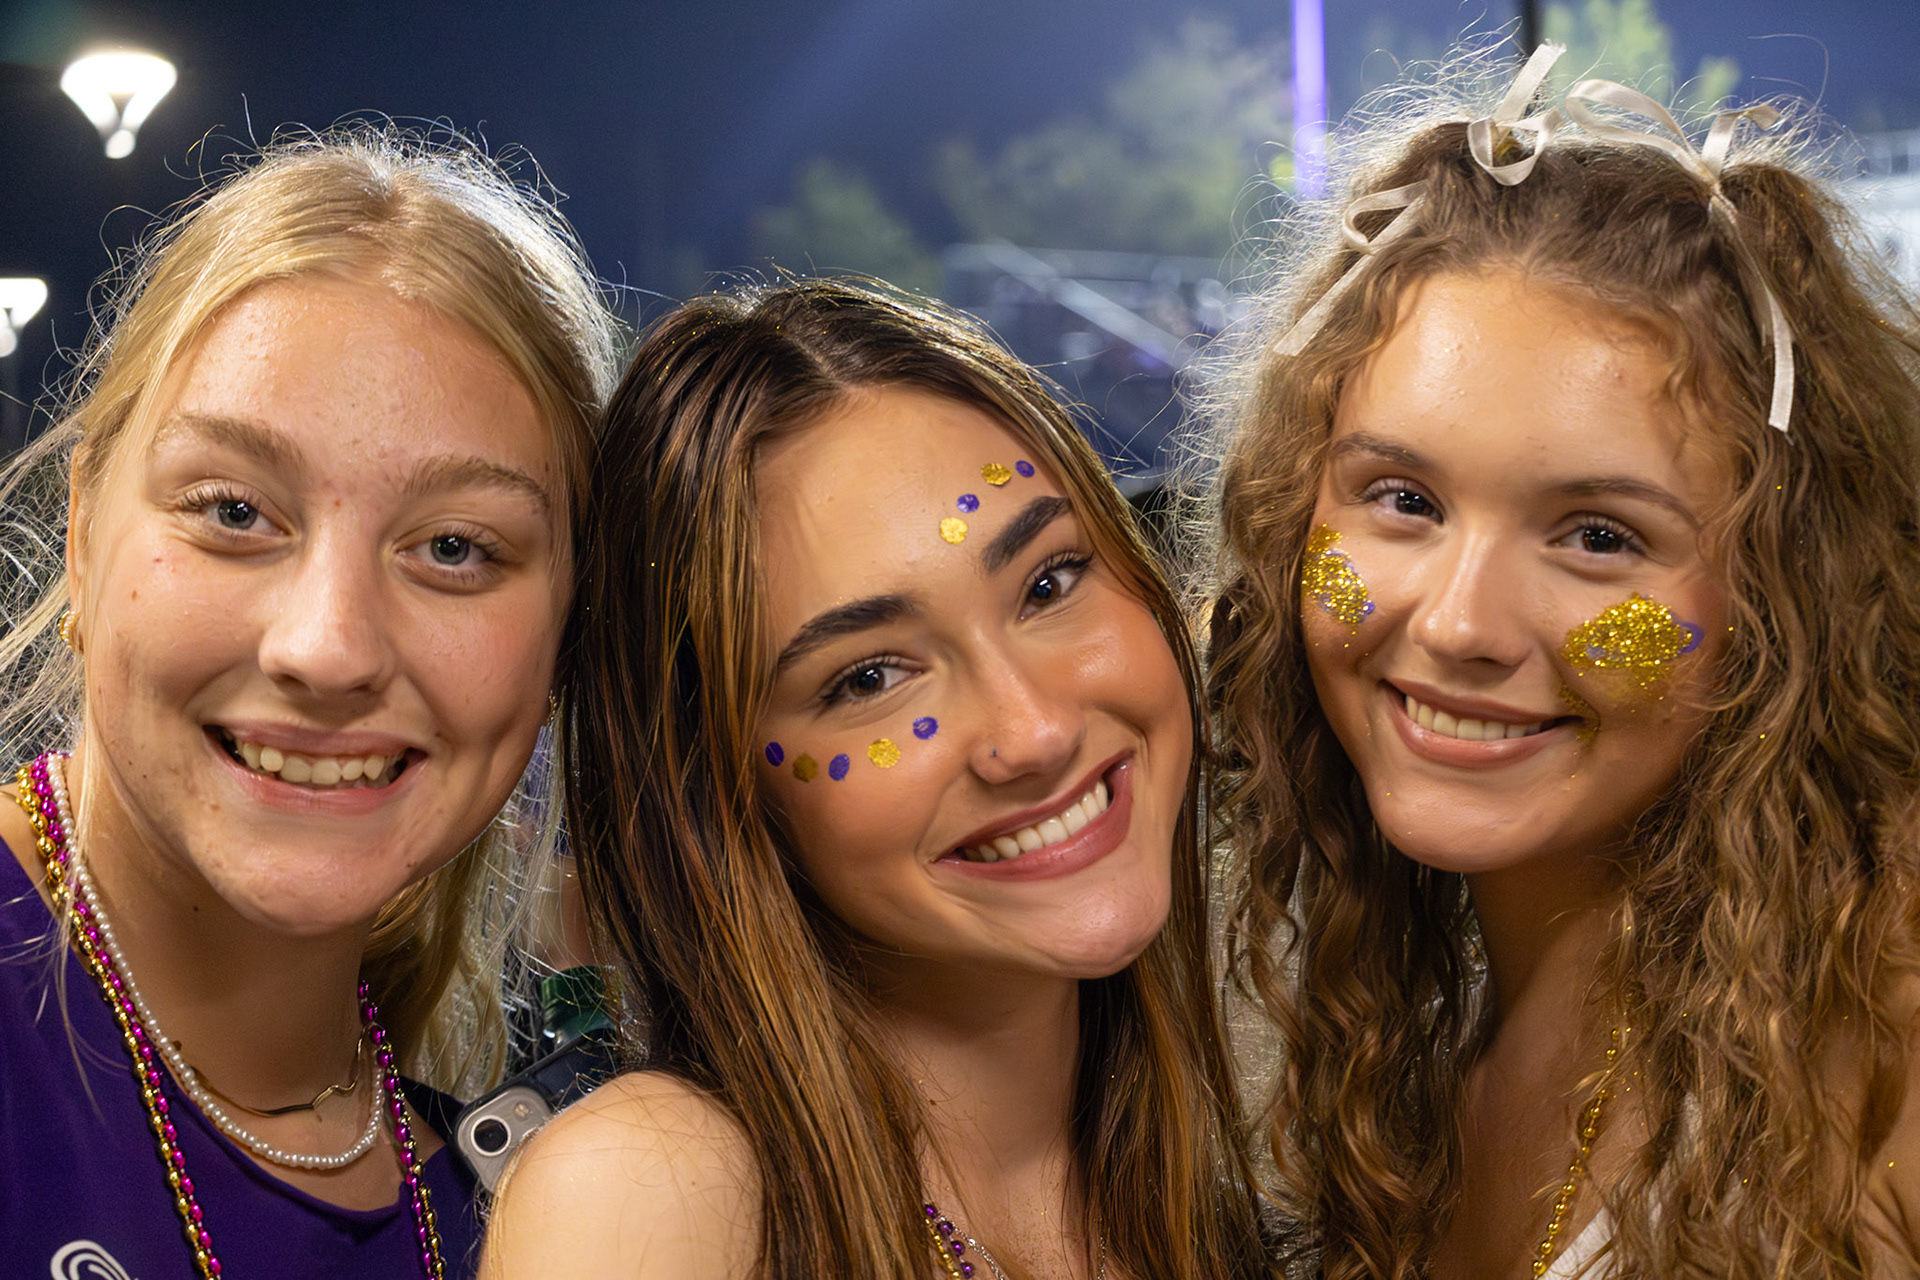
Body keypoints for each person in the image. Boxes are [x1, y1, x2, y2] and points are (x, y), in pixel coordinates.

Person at [1202, 41, 1920, 1280]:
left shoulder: (1882, 1033)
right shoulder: (1404, 1039)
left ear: (1788, 596)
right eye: (1403, 498)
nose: (1457, 622)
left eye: (1597, 536)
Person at [482, 279, 1272, 1279]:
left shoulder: (1207, 1195)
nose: (1030, 730)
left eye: (1048, 581)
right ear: (722, 789)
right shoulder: (655, 1193)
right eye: (868, 677)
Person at [0, 130, 619, 1279]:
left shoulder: (535, 1205)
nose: (327, 647)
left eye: (454, 546)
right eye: (234, 510)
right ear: (83, 535)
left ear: (566, 632)